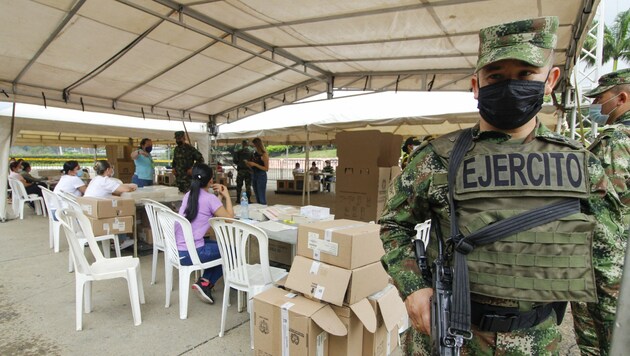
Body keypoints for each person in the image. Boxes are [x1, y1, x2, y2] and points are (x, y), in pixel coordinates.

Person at [379, 16, 625, 355]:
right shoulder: (437, 158)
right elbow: (394, 224)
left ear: (550, 79)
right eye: (496, 76)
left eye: (525, 74)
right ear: (476, 85)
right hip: (450, 336)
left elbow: (605, 269)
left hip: (536, 341)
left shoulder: (581, 165)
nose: (511, 86)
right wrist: (413, 287)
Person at [573, 68, 630, 355]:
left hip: (609, 264)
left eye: (601, 99)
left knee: (603, 341)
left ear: (621, 98)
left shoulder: (615, 141)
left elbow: (604, 208)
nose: (596, 105)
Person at [176, 163, 234, 303]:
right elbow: (229, 220)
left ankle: (205, 281)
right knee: (231, 251)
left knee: (218, 246)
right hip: (191, 252)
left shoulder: (189, 195)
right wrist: (227, 196)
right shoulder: (209, 199)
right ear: (210, 181)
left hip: (178, 249)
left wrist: (218, 197)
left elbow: (214, 212)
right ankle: (206, 282)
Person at [85, 160, 138, 250]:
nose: (112, 170)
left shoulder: (96, 179)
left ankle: (118, 239)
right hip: (96, 216)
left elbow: (115, 188)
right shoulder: (105, 180)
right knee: (121, 211)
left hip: (88, 213)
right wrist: (131, 186)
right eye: (111, 168)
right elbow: (124, 189)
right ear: (108, 169)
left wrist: (127, 185)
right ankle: (121, 241)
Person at [246, 137, 269, 205]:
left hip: (261, 176)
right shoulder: (254, 153)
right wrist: (248, 164)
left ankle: (264, 210)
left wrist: (255, 164)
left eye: (254, 145)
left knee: (261, 197)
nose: (254, 146)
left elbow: (266, 168)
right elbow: (253, 164)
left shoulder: (264, 154)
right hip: (254, 174)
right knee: (257, 196)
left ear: (258, 145)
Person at [233, 139, 253, 204]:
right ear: (247, 144)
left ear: (242, 144)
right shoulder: (251, 152)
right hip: (248, 171)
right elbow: (253, 161)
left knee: (239, 185)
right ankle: (249, 200)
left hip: (241, 170)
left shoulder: (238, 152)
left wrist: (240, 163)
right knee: (248, 186)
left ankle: (238, 199)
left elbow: (235, 161)